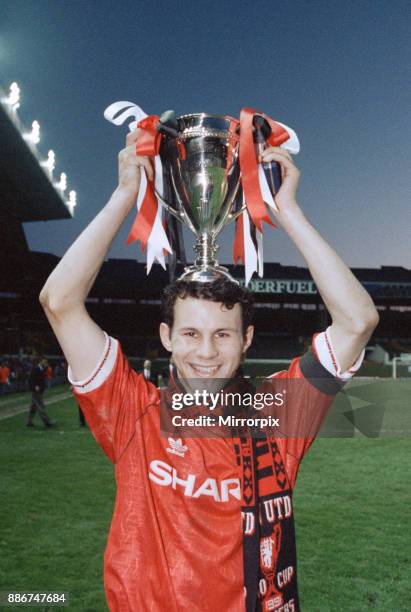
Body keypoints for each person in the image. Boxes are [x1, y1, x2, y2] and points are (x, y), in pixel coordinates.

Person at [39, 128, 378, 611]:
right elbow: (59, 301)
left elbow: (358, 320)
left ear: (247, 340)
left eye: (223, 335)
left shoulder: (276, 415)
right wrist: (123, 197)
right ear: (166, 338)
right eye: (191, 334)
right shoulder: (134, 411)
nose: (206, 352)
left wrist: (289, 212)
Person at [26, 358, 57, 428]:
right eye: (44, 362)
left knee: (33, 407)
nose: (46, 363)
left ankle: (29, 422)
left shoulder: (42, 369)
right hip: (36, 390)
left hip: (40, 390)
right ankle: (47, 422)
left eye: (46, 362)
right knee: (40, 406)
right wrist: (35, 386)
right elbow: (31, 379)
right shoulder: (35, 368)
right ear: (41, 361)